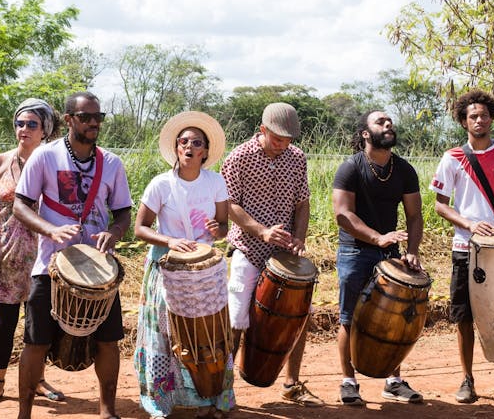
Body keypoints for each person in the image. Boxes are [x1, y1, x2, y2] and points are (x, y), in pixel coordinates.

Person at [13, 91, 132, 419]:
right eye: (86, 117)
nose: (94, 123)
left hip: (98, 267)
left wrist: (116, 232)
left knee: (108, 342)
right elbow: (20, 204)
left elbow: (123, 212)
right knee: (35, 343)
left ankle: (107, 410)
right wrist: (50, 230)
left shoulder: (111, 163)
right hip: (51, 266)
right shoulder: (45, 157)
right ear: (69, 120)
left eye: (99, 117)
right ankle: (24, 413)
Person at [430, 89, 494, 404]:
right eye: (472, 116)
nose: (479, 120)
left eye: (484, 115)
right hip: (466, 247)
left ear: (491, 119)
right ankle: (467, 379)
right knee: (464, 316)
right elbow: (440, 205)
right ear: (464, 121)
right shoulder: (452, 158)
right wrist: (470, 224)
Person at [0, 98, 65, 405]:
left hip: (43, 252)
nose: (24, 129)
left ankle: (39, 379)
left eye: (32, 124)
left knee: (40, 320)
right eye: (20, 123)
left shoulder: (55, 163)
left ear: (44, 129)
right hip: (4, 249)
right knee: (5, 319)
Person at [133, 111, 234, 419]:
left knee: (208, 336)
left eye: (197, 142)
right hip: (167, 268)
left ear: (205, 151)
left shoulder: (215, 182)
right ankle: (161, 402)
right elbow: (140, 228)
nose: (190, 146)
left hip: (205, 273)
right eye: (184, 141)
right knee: (165, 336)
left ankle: (211, 399)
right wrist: (169, 241)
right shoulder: (160, 184)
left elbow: (225, 226)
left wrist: (219, 230)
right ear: (176, 147)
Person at [221, 102, 321, 406]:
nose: (282, 145)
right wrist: (261, 230)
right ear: (262, 130)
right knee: (236, 317)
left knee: (297, 318)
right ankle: (224, 388)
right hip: (248, 249)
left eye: (288, 140)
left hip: (284, 255)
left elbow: (302, 202)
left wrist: (300, 237)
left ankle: (292, 384)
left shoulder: (297, 158)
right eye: (277, 139)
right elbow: (228, 204)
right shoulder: (239, 157)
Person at [331, 111, 424, 405]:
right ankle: (348, 381)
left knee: (395, 318)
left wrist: (412, 251)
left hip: (390, 253)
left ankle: (393, 382)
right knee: (349, 317)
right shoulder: (350, 168)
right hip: (355, 251)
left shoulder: (405, 170)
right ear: (365, 134)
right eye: (380, 122)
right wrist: (376, 237)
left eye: (390, 122)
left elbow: (414, 216)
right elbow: (343, 215)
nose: (388, 125)